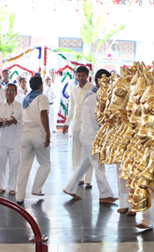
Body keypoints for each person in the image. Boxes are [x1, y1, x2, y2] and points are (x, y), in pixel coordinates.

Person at [63, 69, 117, 204]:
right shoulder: (96, 97)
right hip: (90, 136)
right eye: (107, 81)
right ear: (101, 81)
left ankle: (70, 187)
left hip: (88, 134)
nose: (109, 84)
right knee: (99, 166)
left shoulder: (94, 94)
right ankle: (105, 194)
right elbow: (98, 119)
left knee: (83, 164)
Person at [15, 76, 51, 204]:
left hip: (25, 134)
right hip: (38, 133)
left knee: (24, 165)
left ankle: (19, 196)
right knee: (45, 164)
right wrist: (48, 133)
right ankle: (36, 188)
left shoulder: (26, 99)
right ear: (41, 86)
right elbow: (43, 114)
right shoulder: (42, 97)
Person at [62, 66, 93, 188]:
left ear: (87, 76)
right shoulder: (74, 90)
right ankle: (78, 177)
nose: (80, 78)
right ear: (75, 76)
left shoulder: (93, 89)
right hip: (76, 125)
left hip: (89, 127)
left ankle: (88, 180)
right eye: (78, 75)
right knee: (76, 153)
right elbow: (72, 109)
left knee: (88, 154)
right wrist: (67, 123)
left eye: (83, 75)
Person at [0, 83, 22, 196]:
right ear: (5, 92)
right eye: (7, 90)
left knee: (14, 165)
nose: (9, 93)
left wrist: (16, 121)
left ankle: (12, 187)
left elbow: (26, 123)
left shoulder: (20, 106)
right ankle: (1, 186)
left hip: (15, 141)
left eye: (12, 91)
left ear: (16, 93)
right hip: (0, 140)